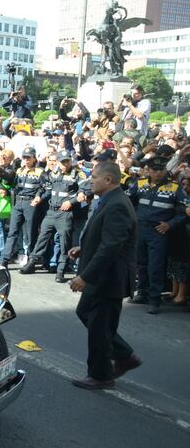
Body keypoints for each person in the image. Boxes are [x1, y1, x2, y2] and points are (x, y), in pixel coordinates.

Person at [68, 162, 140, 390]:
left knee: (99, 325)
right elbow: (105, 236)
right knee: (86, 313)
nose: (91, 181)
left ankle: (101, 375)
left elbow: (111, 246)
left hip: (108, 278)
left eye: (95, 177)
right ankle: (124, 355)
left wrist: (85, 277)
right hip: (103, 276)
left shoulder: (117, 204)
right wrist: (84, 248)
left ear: (108, 180)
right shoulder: (109, 200)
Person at [128, 156, 188, 314]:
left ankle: (154, 300)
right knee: (140, 263)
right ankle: (142, 293)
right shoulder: (140, 184)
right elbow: (128, 201)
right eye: (155, 169)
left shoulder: (174, 188)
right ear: (148, 170)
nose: (159, 173)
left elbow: (184, 211)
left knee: (155, 266)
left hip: (158, 232)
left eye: (161, 169)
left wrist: (170, 224)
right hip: (140, 229)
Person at [21, 150, 84, 282]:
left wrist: (71, 202)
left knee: (64, 242)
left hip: (65, 213)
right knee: (42, 238)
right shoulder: (53, 174)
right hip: (51, 212)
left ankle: (60, 271)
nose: (65, 164)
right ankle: (31, 263)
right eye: (62, 161)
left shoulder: (78, 174)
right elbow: (45, 188)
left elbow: (84, 191)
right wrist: (39, 196)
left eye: (67, 161)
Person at [0, 146, 46, 268]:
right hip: (18, 202)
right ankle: (4, 259)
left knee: (31, 233)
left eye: (28, 157)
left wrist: (38, 196)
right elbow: (11, 183)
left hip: (31, 203)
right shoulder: (19, 170)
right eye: (24, 157)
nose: (25, 160)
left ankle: (31, 260)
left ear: (34, 158)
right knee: (12, 232)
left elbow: (45, 188)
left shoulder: (40, 171)